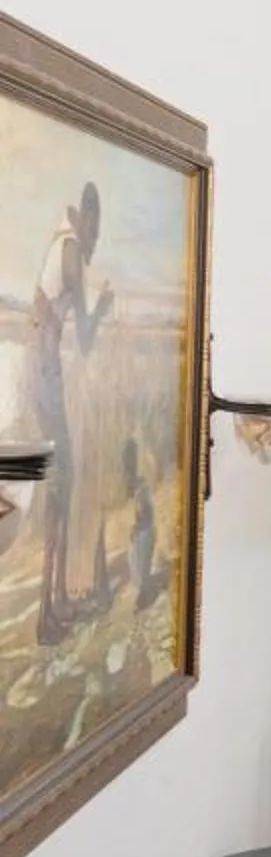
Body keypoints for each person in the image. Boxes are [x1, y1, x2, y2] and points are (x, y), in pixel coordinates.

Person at [30, 180, 111, 645]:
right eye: (95, 232)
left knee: (66, 480)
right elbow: (83, 337)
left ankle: (56, 599)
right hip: (44, 371)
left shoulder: (64, 243)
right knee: (62, 482)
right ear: (87, 220)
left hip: (44, 369)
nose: (95, 242)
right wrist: (100, 306)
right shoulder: (71, 252)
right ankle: (45, 614)